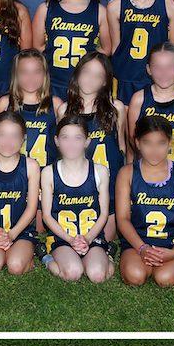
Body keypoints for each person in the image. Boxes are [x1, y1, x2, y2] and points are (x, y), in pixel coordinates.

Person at [116, 116, 174, 287]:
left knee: (165, 278)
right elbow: (123, 219)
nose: (154, 150)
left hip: (172, 241)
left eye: (160, 143)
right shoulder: (127, 173)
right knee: (135, 276)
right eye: (147, 143)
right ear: (137, 143)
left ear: (170, 143)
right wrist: (142, 248)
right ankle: (144, 256)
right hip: (138, 241)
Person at [41, 114, 114, 284]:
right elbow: (47, 216)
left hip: (92, 236)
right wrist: (70, 240)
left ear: (87, 141)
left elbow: (103, 214)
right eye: (65, 138)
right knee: (73, 273)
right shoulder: (48, 173)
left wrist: (87, 239)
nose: (71, 144)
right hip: (62, 238)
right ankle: (44, 256)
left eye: (78, 138)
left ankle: (108, 254)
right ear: (57, 140)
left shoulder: (100, 171)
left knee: (97, 275)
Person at [34, 0, 112, 103]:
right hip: (53, 83)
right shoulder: (46, 8)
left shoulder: (99, 11)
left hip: (86, 86)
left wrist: (86, 55)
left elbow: (107, 49)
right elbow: (37, 46)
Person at [0, 111, 41, 275]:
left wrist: (12, 234)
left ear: (23, 139)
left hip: (20, 230)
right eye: (2, 135)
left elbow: (32, 208)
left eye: (14, 136)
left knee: (15, 266)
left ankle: (26, 255)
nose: (8, 141)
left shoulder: (31, 166)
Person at [127, 44, 174, 185]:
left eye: (170, 67)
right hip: (147, 173)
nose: (164, 72)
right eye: (157, 67)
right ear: (149, 69)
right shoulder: (139, 100)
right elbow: (133, 140)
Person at [0, 49, 62, 167]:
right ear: (16, 74)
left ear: (45, 74)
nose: (30, 77)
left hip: (46, 176)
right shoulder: (5, 103)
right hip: (14, 174)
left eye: (36, 72)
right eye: (24, 72)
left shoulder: (56, 104)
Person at [67, 52, 127, 174]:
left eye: (98, 75)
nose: (91, 79)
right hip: (78, 183)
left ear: (105, 81)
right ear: (78, 73)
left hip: (110, 180)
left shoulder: (116, 108)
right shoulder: (65, 110)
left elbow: (121, 147)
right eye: (86, 72)